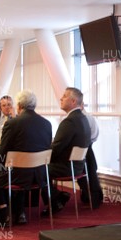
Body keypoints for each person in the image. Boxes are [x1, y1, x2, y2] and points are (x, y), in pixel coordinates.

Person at [0, 89, 52, 224]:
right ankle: (20, 211)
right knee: (19, 167)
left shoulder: (12, 124)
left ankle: (3, 210)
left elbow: (2, 154)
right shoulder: (47, 123)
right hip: (40, 175)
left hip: (17, 175)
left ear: (18, 106)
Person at [43, 87, 91, 215]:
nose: (61, 98)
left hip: (67, 166)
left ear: (73, 101)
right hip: (78, 165)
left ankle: (56, 199)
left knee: (36, 169)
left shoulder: (69, 121)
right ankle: (57, 198)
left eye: (64, 96)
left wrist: (40, 157)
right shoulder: (83, 118)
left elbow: (56, 148)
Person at [79, 103, 103, 208]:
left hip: (83, 149)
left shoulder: (83, 118)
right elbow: (95, 135)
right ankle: (92, 196)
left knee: (86, 172)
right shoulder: (89, 117)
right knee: (91, 172)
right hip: (88, 147)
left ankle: (90, 195)